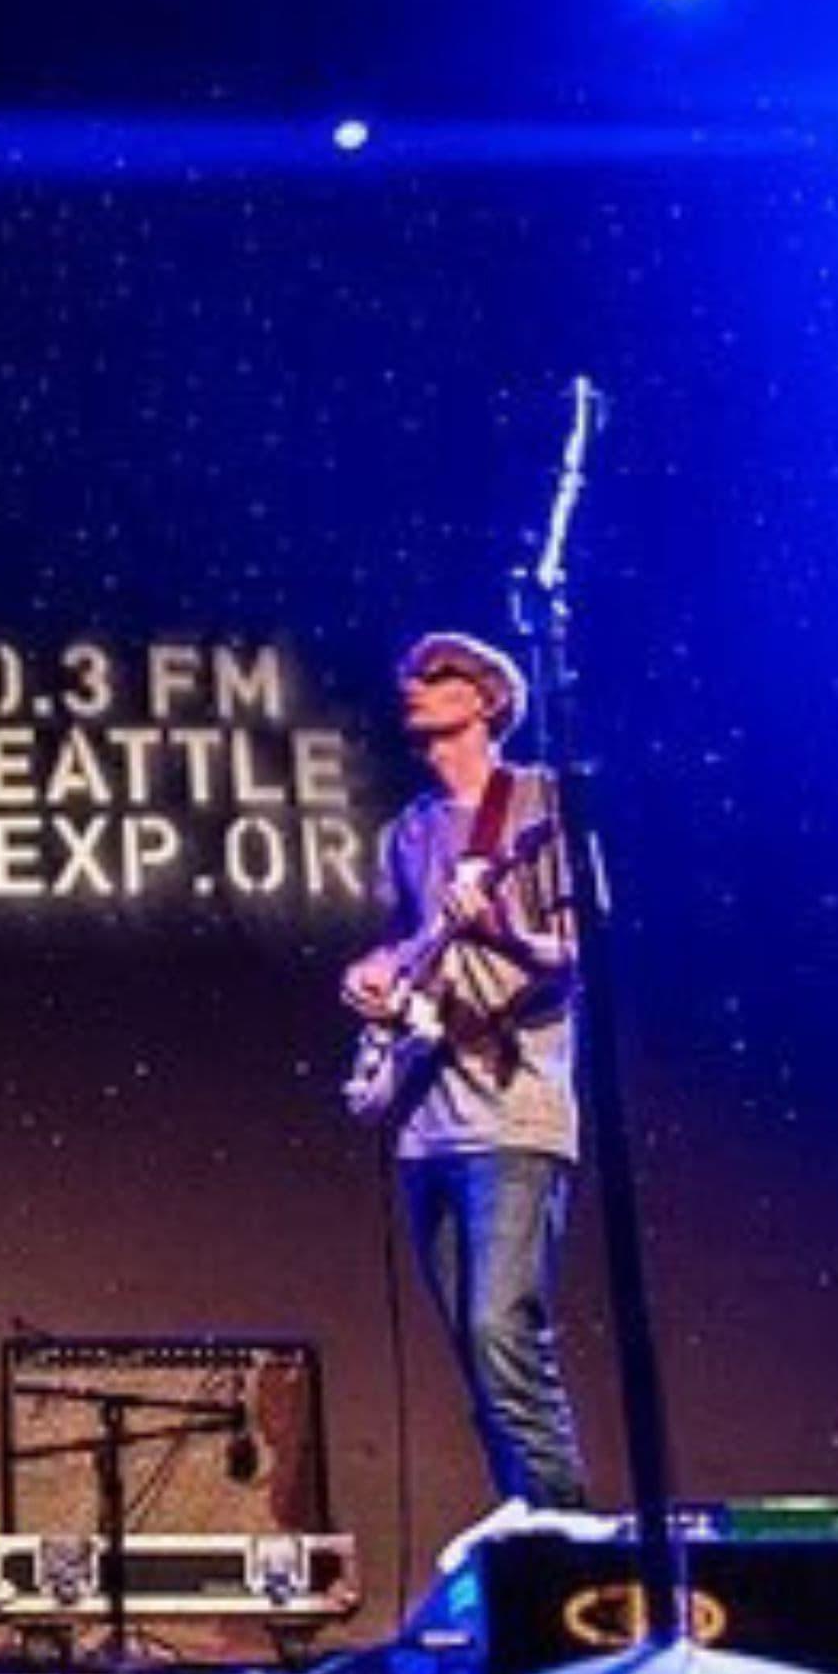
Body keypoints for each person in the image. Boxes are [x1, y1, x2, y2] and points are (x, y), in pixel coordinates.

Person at [337, 630, 594, 1511]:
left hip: (513, 1111)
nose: (413, 688)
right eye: (410, 677)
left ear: (484, 701)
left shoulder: (546, 807)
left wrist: (498, 933)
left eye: (436, 677)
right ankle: (525, 1532)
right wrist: (373, 974)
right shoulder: (406, 832)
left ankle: (570, 1550)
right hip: (425, 1119)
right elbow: (405, 944)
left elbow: (577, 951)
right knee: (476, 1355)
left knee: (502, 1330)